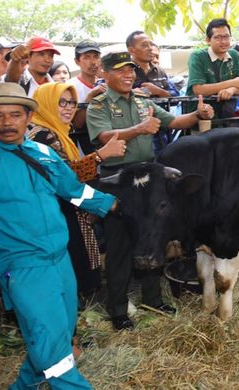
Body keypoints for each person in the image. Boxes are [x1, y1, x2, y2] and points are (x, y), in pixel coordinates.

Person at [0, 82, 117, 389]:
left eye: (15, 114)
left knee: (58, 333)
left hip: (61, 262)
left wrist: (114, 204)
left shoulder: (44, 153)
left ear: (28, 117)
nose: (7, 122)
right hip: (22, 267)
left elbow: (73, 190)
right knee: (52, 347)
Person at [86, 51, 215, 330]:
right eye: (121, 71)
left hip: (150, 178)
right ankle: (118, 310)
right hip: (118, 179)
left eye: (131, 70)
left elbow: (173, 121)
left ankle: (152, 299)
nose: (129, 75)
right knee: (120, 245)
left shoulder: (143, 100)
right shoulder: (98, 105)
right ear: (105, 74)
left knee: (152, 238)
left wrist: (197, 114)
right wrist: (139, 129)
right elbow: (103, 137)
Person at [27, 82, 126, 304]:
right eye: (61, 102)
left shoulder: (58, 132)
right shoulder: (41, 135)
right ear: (46, 104)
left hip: (68, 207)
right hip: (56, 211)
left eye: (71, 102)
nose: (68, 108)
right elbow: (61, 177)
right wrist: (100, 156)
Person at [186, 18, 239, 119]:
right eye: (217, 38)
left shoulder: (234, 55)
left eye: (226, 37)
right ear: (207, 40)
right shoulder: (197, 56)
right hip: (200, 116)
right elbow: (198, 89)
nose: (223, 41)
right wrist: (233, 83)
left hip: (226, 115)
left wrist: (231, 90)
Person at [127, 30, 175, 98]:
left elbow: (175, 97)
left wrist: (159, 91)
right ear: (131, 50)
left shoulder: (160, 71)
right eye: (144, 45)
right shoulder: (123, 71)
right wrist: (131, 93)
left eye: (151, 44)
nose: (150, 48)